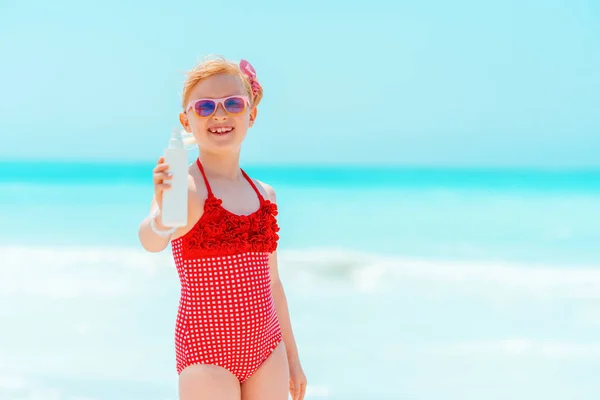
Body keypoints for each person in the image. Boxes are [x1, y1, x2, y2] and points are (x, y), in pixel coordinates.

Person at [138, 56, 307, 400]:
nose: (220, 115)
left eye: (232, 103)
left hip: (266, 347)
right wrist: (161, 218)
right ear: (186, 121)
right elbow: (151, 240)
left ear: (251, 114)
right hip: (206, 355)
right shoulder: (183, 187)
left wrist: (292, 355)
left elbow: (273, 282)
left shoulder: (265, 195)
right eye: (204, 107)